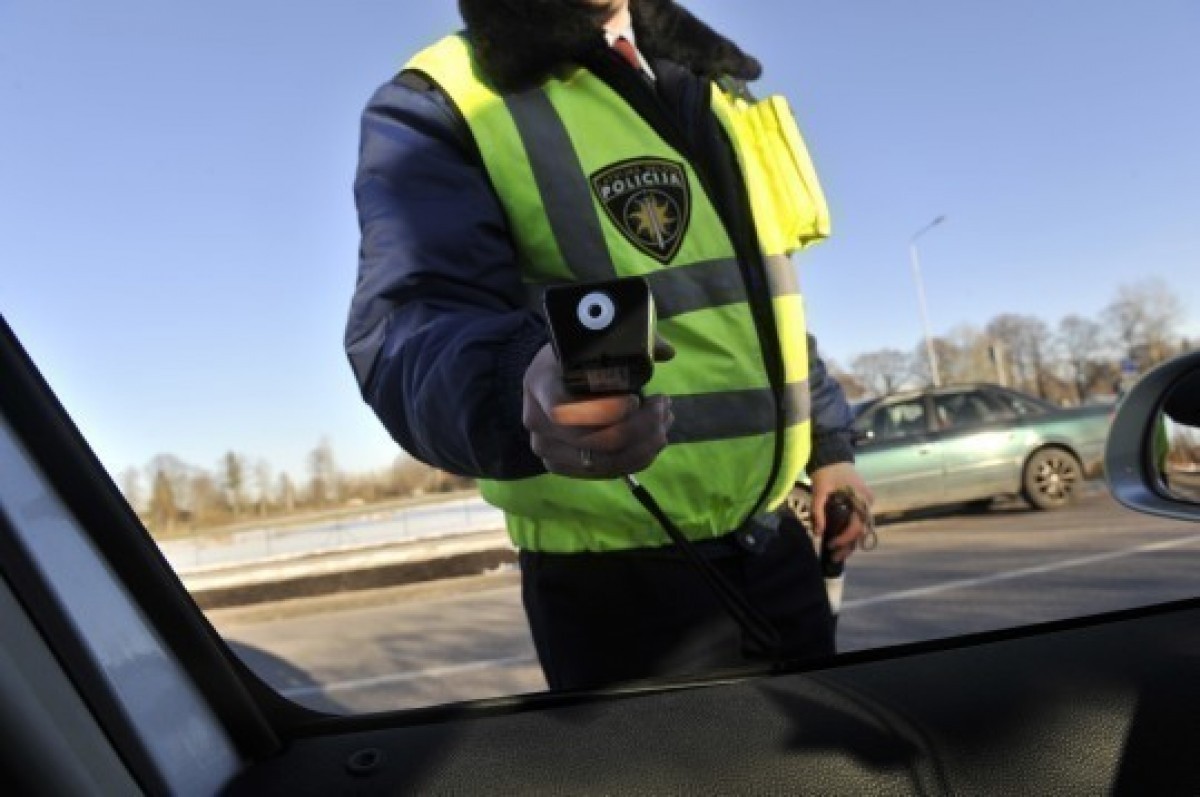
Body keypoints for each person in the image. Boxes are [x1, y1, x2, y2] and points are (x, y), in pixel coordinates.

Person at [345, 0, 873, 690]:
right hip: (620, 592)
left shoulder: (718, 85)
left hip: (778, 543)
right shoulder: (442, 97)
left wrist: (830, 448)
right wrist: (519, 382)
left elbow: (760, 301)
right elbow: (407, 330)